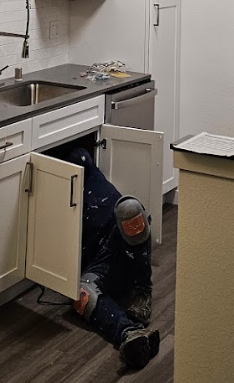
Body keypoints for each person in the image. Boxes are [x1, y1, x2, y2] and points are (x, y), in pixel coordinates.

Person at [60, 146, 161, 370]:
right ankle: (131, 332)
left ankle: (142, 292)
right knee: (80, 295)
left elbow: (79, 156)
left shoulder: (81, 163)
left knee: (129, 210)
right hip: (97, 262)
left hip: (119, 235)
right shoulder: (57, 192)